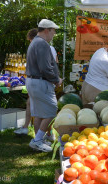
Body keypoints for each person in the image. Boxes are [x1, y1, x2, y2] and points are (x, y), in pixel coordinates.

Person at [25, 19, 63, 152]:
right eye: (53, 31)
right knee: (52, 110)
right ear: (47, 30)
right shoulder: (43, 44)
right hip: (41, 82)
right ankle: (37, 140)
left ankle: (39, 139)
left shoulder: (36, 42)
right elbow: (45, 68)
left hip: (34, 81)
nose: (54, 34)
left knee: (39, 113)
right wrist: (56, 79)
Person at [14, 28, 37, 136]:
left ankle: (42, 136)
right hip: (35, 82)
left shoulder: (43, 48)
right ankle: (26, 127)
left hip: (39, 83)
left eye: (30, 40)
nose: (30, 43)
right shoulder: (36, 48)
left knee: (38, 109)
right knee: (30, 104)